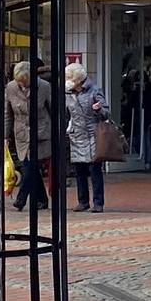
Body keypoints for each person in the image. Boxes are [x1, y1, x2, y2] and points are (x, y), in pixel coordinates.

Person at [4, 60, 57, 211]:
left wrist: (57, 132)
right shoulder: (11, 88)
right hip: (21, 134)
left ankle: (21, 199)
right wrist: (6, 135)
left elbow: (54, 110)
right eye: (19, 82)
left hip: (41, 133)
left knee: (30, 165)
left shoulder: (44, 87)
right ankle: (42, 200)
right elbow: (8, 114)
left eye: (25, 81)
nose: (23, 85)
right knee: (31, 167)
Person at [64, 63, 109, 212]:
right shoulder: (68, 93)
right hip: (77, 135)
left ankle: (98, 202)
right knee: (79, 171)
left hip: (92, 135)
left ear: (78, 79)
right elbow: (66, 114)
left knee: (95, 170)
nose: (67, 80)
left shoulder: (94, 91)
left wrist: (99, 109)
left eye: (70, 77)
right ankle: (83, 201)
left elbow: (106, 113)